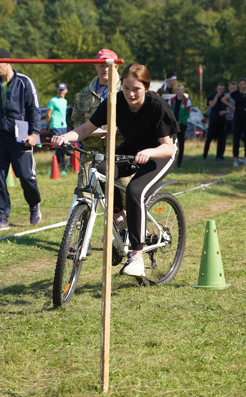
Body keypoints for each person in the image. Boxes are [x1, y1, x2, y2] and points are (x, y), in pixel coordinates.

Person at [51, 63, 179, 277]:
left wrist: (149, 152)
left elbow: (167, 147)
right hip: (132, 147)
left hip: (159, 152)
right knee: (101, 170)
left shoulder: (157, 106)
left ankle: (136, 257)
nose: (130, 93)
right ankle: (120, 219)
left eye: (136, 89)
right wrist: (64, 137)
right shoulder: (114, 101)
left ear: (146, 87)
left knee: (135, 191)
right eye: (126, 88)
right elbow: (84, 129)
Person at [0, 47, 42, 232]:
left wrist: (34, 134)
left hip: (21, 136)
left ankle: (34, 205)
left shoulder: (25, 82)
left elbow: (34, 110)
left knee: (26, 177)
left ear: (7, 62)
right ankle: (2, 217)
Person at [71, 49, 128, 194]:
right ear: (95, 66)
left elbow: (136, 119)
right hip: (91, 152)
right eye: (101, 64)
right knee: (83, 194)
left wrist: (118, 128)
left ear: (116, 66)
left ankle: (124, 216)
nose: (105, 69)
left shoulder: (127, 90)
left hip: (120, 152)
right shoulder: (84, 94)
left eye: (109, 65)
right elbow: (76, 120)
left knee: (126, 195)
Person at [221, 78, 246, 167]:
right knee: (236, 138)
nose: (242, 86)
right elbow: (223, 99)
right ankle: (235, 158)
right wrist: (232, 107)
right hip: (237, 117)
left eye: (243, 84)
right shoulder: (235, 94)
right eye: (240, 84)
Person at [47, 82, 69, 174]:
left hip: (63, 126)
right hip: (55, 126)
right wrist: (49, 126)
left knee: (62, 147)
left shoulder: (65, 101)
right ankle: (58, 168)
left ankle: (60, 168)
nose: (61, 91)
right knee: (59, 146)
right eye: (60, 90)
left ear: (66, 90)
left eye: (63, 90)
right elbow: (48, 114)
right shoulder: (53, 100)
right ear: (57, 90)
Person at [202, 82, 228, 162]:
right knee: (209, 138)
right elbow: (211, 105)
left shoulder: (225, 97)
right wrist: (217, 96)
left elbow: (228, 110)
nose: (221, 91)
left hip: (222, 121)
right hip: (213, 120)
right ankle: (205, 156)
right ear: (217, 88)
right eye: (219, 89)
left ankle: (219, 156)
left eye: (222, 89)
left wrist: (223, 112)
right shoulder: (211, 96)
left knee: (221, 139)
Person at [169, 82, 191, 168]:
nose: (179, 91)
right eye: (178, 89)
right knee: (172, 143)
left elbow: (187, 114)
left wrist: (180, 121)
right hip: (173, 125)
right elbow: (169, 112)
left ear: (184, 91)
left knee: (181, 143)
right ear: (176, 90)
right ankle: (171, 161)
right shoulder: (172, 100)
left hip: (182, 125)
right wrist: (173, 122)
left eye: (181, 89)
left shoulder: (187, 101)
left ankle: (179, 162)